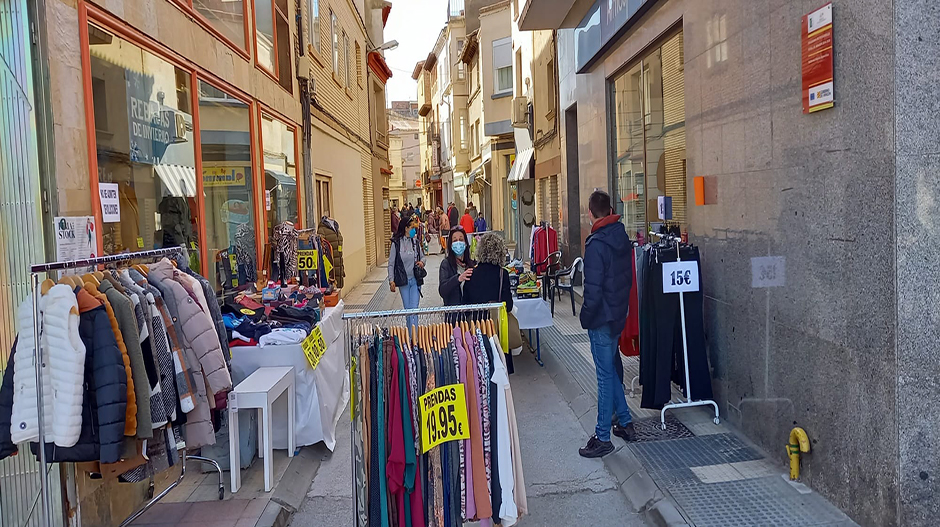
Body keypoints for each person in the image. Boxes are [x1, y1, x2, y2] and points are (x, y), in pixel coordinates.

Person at [578, 190, 635, 458]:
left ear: (590, 213)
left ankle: (603, 436)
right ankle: (624, 422)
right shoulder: (621, 237)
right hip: (617, 315)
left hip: (601, 318)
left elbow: (593, 290)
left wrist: (585, 317)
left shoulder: (596, 244)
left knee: (603, 377)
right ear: (610, 209)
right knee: (611, 372)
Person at [388, 210, 426, 330]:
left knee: (414, 310)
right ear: (405, 228)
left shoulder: (415, 242)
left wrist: (422, 263)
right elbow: (391, 263)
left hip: (415, 281)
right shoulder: (396, 243)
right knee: (408, 310)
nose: (414, 230)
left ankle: (415, 339)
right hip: (403, 281)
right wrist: (391, 280)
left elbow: (423, 257)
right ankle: (411, 337)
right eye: (411, 227)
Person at [462, 232, 512, 311]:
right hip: (496, 321)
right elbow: (508, 305)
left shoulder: (471, 273)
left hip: (476, 321)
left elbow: (465, 304)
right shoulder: (502, 274)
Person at [438, 226, 475, 306]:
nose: (458, 242)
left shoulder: (472, 264)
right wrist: (458, 279)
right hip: (454, 314)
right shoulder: (446, 264)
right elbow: (442, 290)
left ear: (465, 243)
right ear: (451, 245)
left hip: (471, 314)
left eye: (461, 240)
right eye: (455, 240)